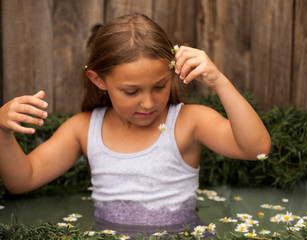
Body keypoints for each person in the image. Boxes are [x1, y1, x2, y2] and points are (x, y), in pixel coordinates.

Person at [0, 14, 271, 236]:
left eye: (160, 86)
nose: (148, 103)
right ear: (99, 81)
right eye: (132, 92)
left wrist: (219, 81)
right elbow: (23, 179)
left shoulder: (188, 122)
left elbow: (257, 149)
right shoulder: (83, 129)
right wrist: (2, 131)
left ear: (172, 73)